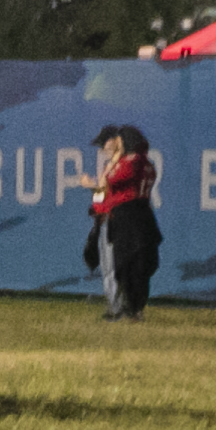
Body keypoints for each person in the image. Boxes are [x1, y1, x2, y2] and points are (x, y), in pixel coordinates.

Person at [87, 120, 165, 322]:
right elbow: (102, 194)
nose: (105, 148)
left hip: (125, 217)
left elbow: (108, 185)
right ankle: (123, 307)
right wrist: (97, 208)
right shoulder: (143, 163)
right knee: (113, 265)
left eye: (115, 142)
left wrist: (94, 186)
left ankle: (122, 308)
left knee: (123, 265)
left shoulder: (131, 162)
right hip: (117, 216)